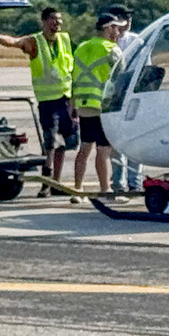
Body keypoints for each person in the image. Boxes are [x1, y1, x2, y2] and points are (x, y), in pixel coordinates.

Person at [0, 7, 77, 197]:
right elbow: (14, 42)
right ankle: (46, 183)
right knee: (50, 144)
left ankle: (56, 183)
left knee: (66, 142)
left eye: (59, 21)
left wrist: (74, 105)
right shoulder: (34, 42)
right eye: (53, 20)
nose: (57, 25)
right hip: (48, 102)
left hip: (65, 99)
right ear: (44, 21)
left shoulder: (65, 40)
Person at [70, 12, 127, 203]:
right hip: (103, 107)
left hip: (84, 104)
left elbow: (74, 75)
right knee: (103, 151)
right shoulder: (112, 50)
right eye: (117, 28)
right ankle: (106, 190)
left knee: (84, 148)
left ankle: (78, 190)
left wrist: (73, 102)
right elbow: (122, 79)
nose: (119, 32)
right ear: (108, 28)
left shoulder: (82, 47)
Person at [106, 4, 143, 195]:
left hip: (133, 94)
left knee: (135, 140)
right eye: (123, 17)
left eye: (129, 18)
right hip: (115, 96)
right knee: (116, 143)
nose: (128, 21)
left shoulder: (137, 40)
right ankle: (118, 183)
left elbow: (146, 68)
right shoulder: (108, 43)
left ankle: (134, 182)